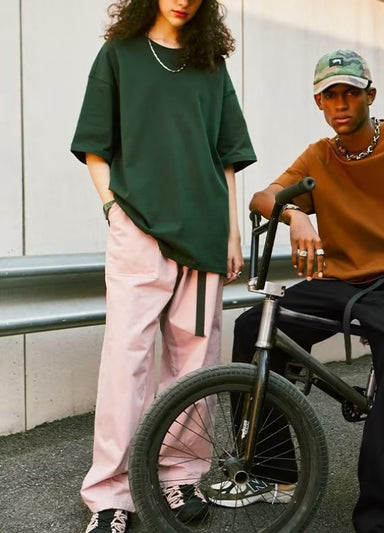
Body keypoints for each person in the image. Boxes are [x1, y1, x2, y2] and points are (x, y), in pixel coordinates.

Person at [208, 50, 384, 532]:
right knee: (253, 326)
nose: (340, 103)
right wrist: (296, 214)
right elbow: (263, 197)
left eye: (350, 93)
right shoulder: (320, 155)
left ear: (370, 95)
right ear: (318, 102)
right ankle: (273, 472)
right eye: (330, 95)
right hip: (341, 280)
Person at [70, 0, 256, 531]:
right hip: (139, 230)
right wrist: (114, 210)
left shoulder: (210, 62)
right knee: (125, 363)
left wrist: (231, 231)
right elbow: (95, 146)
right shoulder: (119, 55)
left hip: (204, 233)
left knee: (195, 364)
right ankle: (111, 495)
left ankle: (180, 476)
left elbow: (227, 155)